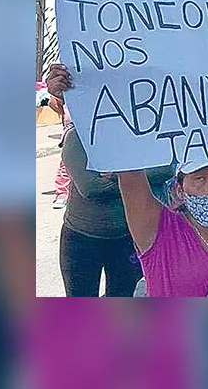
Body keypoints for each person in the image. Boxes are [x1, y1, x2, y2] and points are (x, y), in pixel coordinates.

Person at [46, 63, 208, 297]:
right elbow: (127, 168)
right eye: (200, 178)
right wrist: (78, 93)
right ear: (179, 188)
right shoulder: (157, 229)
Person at [59, 127, 173, 296]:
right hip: (82, 237)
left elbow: (166, 170)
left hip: (127, 237)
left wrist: (115, 175)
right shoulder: (77, 136)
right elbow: (91, 188)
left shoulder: (140, 132)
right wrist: (135, 177)